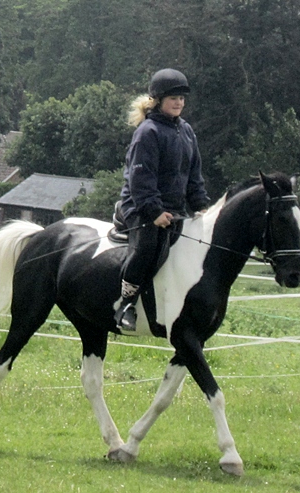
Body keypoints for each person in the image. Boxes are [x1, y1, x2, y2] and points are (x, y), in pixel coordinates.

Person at [115, 68, 211, 331]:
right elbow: (141, 179)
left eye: (181, 98)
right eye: (173, 98)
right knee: (148, 246)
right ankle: (126, 304)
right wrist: (154, 211)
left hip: (174, 209)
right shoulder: (148, 132)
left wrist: (201, 206)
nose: (179, 102)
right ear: (158, 100)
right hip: (140, 206)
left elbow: (194, 175)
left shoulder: (187, 132)